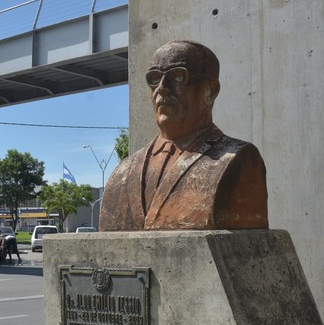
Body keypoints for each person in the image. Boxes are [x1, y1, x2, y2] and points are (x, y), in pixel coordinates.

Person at [99, 40, 268, 231]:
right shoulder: (122, 173)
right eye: (154, 78)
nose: (161, 88)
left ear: (210, 91)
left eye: (177, 76)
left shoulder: (239, 160)